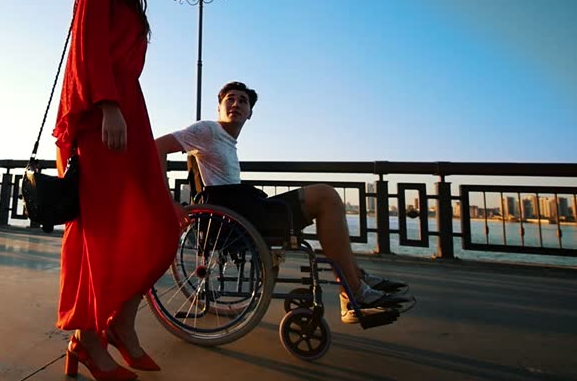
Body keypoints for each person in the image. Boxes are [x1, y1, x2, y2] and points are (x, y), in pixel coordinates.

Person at [155, 81, 412, 324]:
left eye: (243, 101)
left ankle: (356, 278)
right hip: (237, 218)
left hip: (242, 211)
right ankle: (353, 291)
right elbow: (157, 147)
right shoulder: (207, 130)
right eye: (229, 99)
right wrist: (168, 202)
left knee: (326, 198)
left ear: (250, 113)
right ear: (219, 107)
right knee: (326, 196)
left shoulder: (226, 140)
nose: (236, 104)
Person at [52, 0, 181, 381]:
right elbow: (87, 49)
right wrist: (107, 106)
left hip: (130, 112)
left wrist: (121, 107)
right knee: (97, 233)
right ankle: (87, 340)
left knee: (162, 225)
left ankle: (122, 324)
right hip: (99, 115)